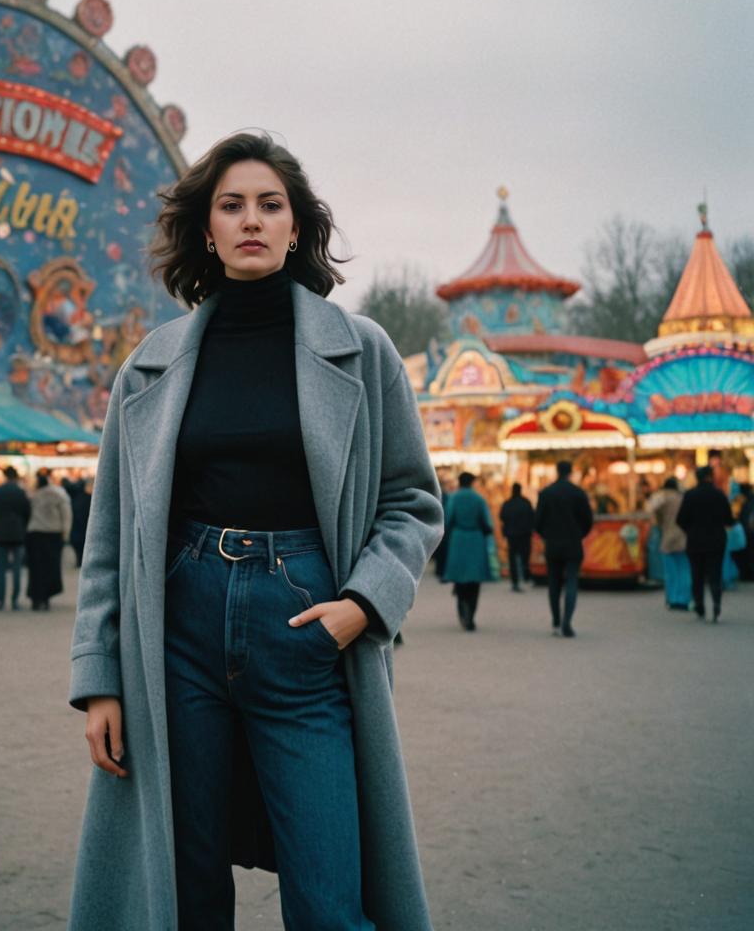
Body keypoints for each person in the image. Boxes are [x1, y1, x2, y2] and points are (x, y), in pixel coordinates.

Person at [68, 133, 444, 930]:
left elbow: (412, 500)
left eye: (271, 205)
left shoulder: (361, 349)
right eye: (231, 205)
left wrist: (363, 605)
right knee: (189, 886)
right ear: (207, 229)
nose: (251, 220)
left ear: (297, 228)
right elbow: (110, 536)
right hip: (181, 628)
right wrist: (100, 675)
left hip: (307, 622)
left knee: (330, 894)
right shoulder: (152, 364)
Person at [535, 460, 594, 638]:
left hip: (552, 544)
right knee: (571, 581)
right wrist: (579, 534)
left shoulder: (546, 493)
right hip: (573, 543)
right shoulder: (578, 493)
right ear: (570, 472)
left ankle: (556, 622)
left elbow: (537, 521)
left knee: (553, 582)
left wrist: (547, 535)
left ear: (556, 471)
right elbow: (588, 520)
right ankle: (567, 622)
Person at [676, 465, 734, 622]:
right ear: (710, 477)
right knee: (715, 574)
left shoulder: (690, 495)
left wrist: (691, 529)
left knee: (697, 575)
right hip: (716, 541)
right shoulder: (719, 495)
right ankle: (716, 603)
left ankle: (700, 605)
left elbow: (680, 519)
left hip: (695, 541)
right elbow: (729, 519)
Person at [442, 471, 493, 630]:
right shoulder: (479, 499)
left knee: (460, 578)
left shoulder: (454, 498)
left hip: (459, 539)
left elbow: (447, 519)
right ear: (472, 482)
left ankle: (462, 611)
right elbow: (487, 522)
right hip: (475, 539)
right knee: (474, 581)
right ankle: (471, 615)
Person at [0, 466, 31, 611]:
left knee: (1, 568)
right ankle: (15, 600)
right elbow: (27, 512)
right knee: (16, 569)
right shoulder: (20, 492)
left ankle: (0, 599)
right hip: (17, 533)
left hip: (0, 533)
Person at [26, 470, 72, 611]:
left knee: (35, 568)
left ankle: (35, 597)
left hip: (34, 534)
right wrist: (66, 533)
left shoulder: (33, 496)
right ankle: (46, 597)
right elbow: (66, 515)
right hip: (53, 534)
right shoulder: (59, 494)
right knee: (50, 567)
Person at [645, 476, 690, 609]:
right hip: (684, 537)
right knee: (684, 570)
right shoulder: (682, 498)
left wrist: (659, 523)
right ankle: (684, 598)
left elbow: (651, 510)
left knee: (670, 571)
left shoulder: (662, 497)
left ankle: (672, 597)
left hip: (667, 537)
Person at [499, 482, 535, 592]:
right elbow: (532, 517)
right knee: (525, 557)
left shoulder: (507, 503)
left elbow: (502, 517)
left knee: (512, 558)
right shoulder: (526, 503)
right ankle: (525, 577)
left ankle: (515, 581)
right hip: (525, 534)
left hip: (512, 535)